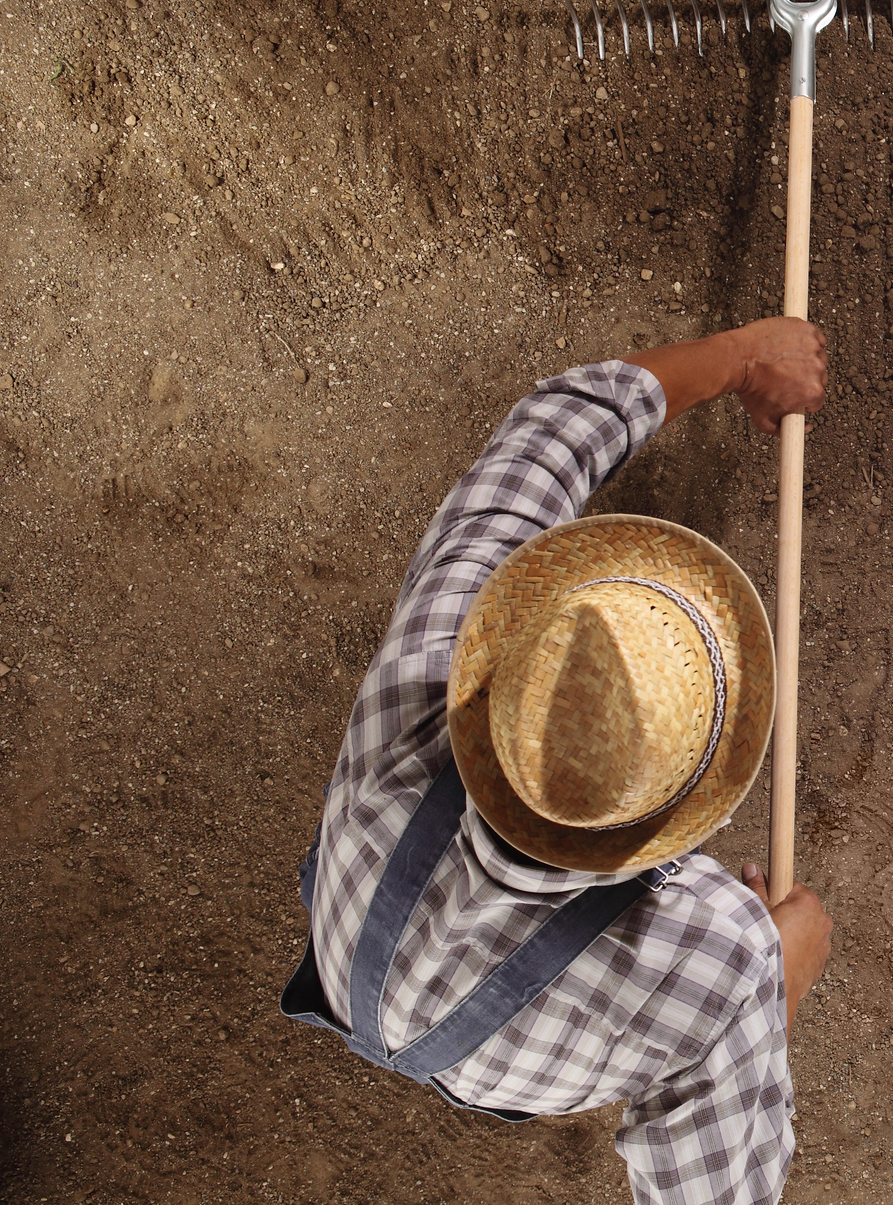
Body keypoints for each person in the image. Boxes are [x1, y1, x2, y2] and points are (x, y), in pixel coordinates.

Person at [279, 318, 835, 1205]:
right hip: (505, 1070)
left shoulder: (431, 668)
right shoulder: (720, 959)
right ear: (682, 805)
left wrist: (739, 356)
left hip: (349, 954)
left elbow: (554, 425)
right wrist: (777, 986)